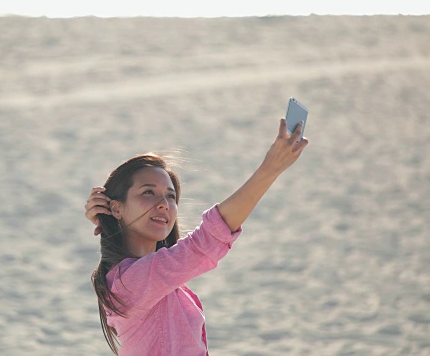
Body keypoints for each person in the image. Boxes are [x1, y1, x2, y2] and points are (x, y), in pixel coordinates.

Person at [84, 118, 309, 355]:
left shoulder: (156, 282)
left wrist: (109, 222)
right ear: (117, 208)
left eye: (170, 197)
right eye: (148, 192)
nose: (163, 204)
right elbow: (207, 240)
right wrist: (270, 169)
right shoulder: (129, 281)